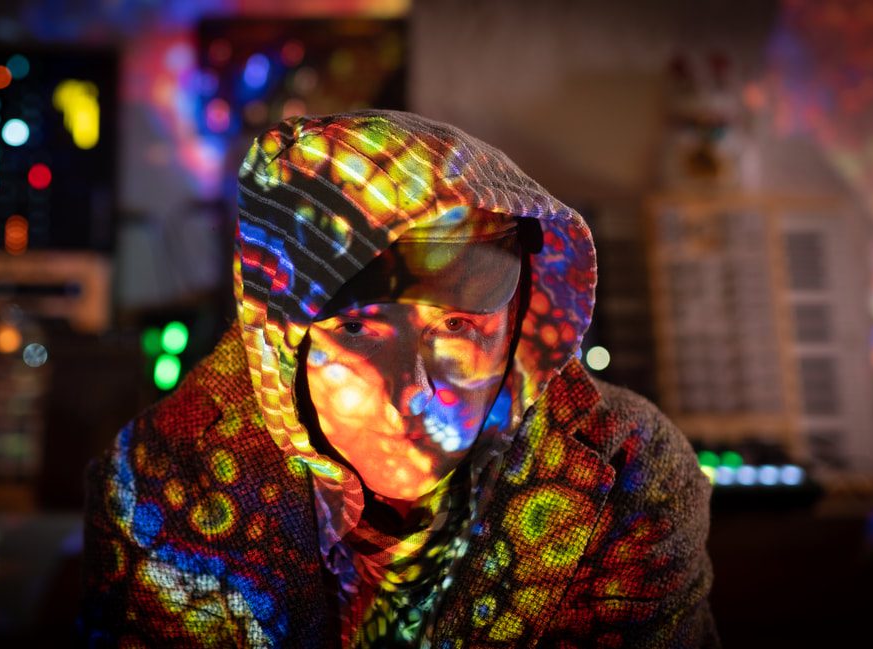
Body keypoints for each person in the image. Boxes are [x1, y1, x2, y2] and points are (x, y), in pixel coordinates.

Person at [80, 110, 719, 648]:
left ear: (521, 320)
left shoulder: (631, 470)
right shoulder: (157, 483)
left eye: (460, 327)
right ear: (280, 340)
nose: (411, 392)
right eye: (356, 329)